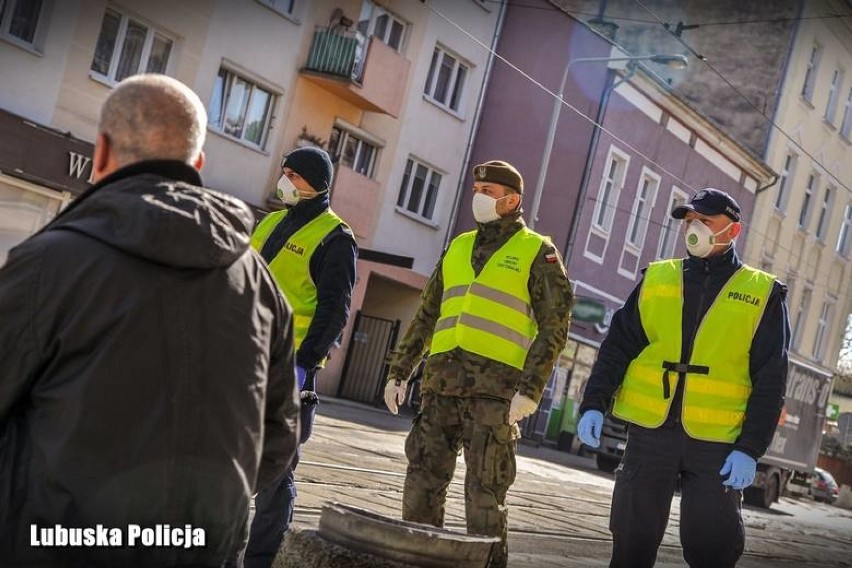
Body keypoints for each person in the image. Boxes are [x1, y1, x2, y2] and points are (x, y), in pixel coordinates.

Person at [0, 74, 301, 567]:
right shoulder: (260, 284)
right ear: (197, 164)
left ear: (100, 153)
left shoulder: (49, 263)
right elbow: (278, 438)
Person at [576, 188, 790, 568]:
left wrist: (750, 448)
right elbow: (617, 346)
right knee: (630, 544)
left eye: (705, 222)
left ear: (733, 231)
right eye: (690, 221)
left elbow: (771, 379)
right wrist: (594, 402)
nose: (695, 229)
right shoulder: (658, 279)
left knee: (712, 549)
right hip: (650, 436)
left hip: (718, 447)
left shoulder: (762, 294)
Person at [383, 160, 574, 568]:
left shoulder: (537, 251)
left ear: (512, 200)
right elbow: (427, 313)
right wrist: (401, 370)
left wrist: (531, 388)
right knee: (421, 485)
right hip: (440, 388)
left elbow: (556, 325)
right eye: (479, 188)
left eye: (489, 191)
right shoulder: (458, 246)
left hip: (495, 396)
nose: (480, 197)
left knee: (485, 498)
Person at [244, 146, 357, 567]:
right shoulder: (271, 221)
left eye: (294, 174)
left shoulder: (335, 238)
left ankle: (259, 560)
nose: (284, 180)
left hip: (286, 371)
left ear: (316, 181)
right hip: (241, 363)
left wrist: (304, 365)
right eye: (284, 171)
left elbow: (334, 310)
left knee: (274, 476)